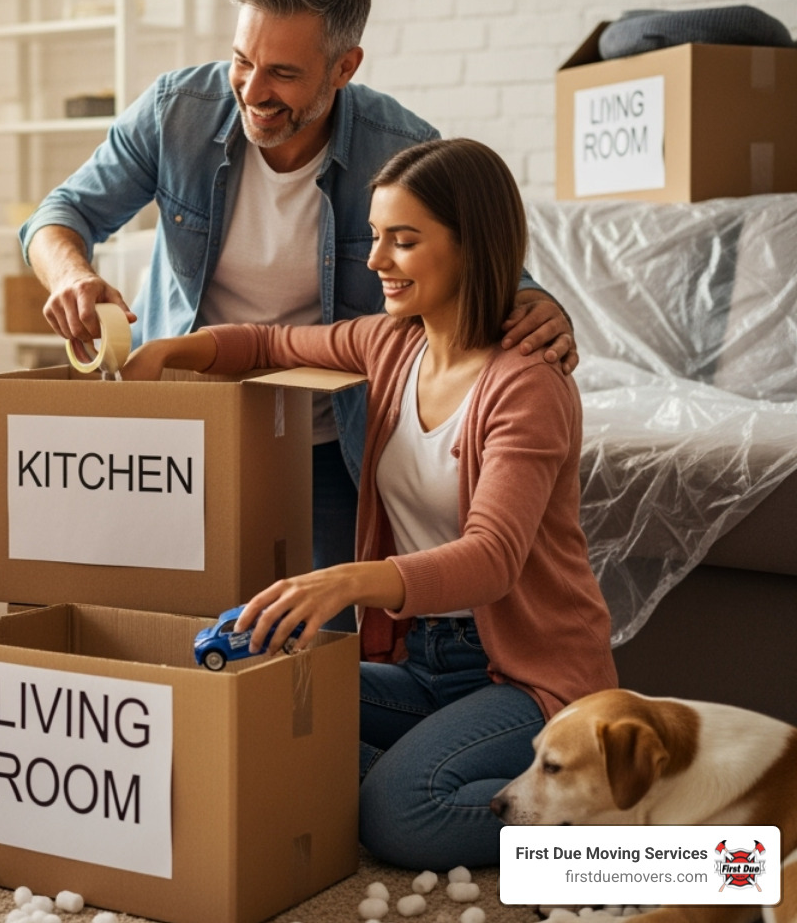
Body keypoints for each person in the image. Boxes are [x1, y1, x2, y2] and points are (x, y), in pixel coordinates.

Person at [120, 139, 617, 870]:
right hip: (422, 661)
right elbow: (268, 342)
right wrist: (170, 351)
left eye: (404, 241)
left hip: (526, 676)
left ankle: (628, 825)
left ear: (473, 246)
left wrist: (345, 581)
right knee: (252, 706)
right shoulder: (391, 344)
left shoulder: (527, 384)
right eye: (376, 236)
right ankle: (480, 779)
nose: (376, 260)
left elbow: (493, 558)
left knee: (400, 816)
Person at [21, 0, 577, 579]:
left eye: (282, 73)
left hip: (330, 437)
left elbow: (479, 262)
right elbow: (60, 213)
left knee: (325, 625)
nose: (252, 91)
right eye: (242, 60)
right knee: (171, 610)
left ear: (345, 67)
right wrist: (70, 273)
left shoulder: (399, 148)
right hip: (185, 422)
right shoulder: (177, 110)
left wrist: (537, 304)